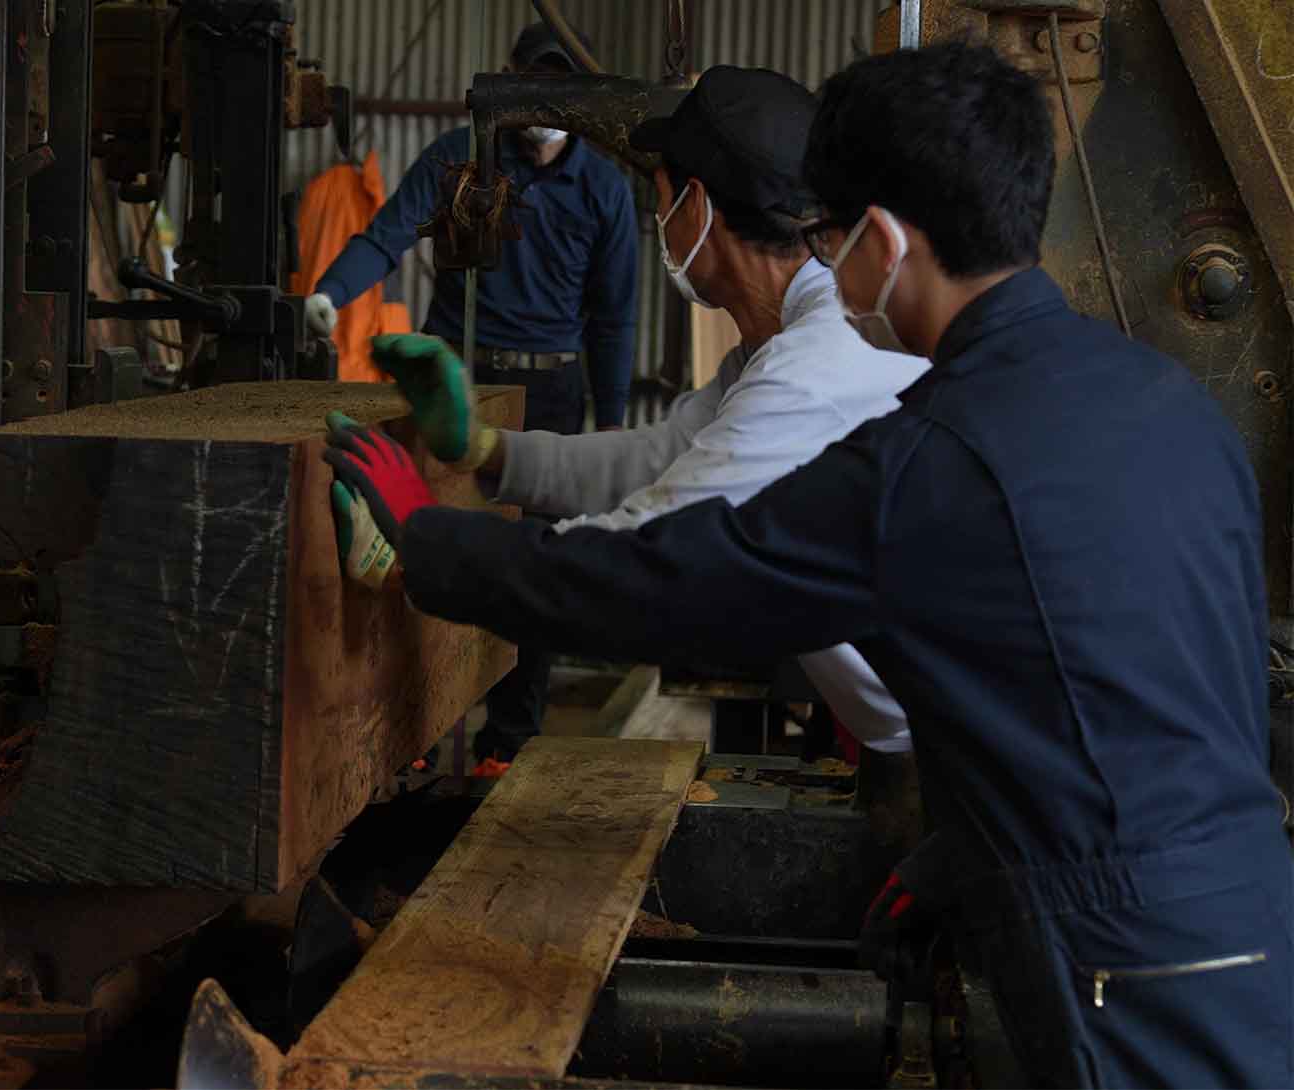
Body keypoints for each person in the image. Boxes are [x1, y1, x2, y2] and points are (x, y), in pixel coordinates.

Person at [323, 42, 1294, 1087]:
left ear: (876, 242)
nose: (822, 261)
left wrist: (424, 537)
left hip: (1116, 958)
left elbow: (660, 585)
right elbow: (1117, 695)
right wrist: (959, 857)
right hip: (1238, 908)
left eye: (829, 234)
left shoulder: (929, 455)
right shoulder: (1163, 400)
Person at [343, 65, 926, 754]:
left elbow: (635, 562)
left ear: (699, 208)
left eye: (663, 199)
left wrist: (423, 541)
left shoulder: (815, 369)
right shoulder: (786, 343)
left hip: (969, 755)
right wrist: (489, 451)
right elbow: (663, 458)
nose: (663, 224)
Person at [309, 20, 639, 772]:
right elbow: (386, 235)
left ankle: (507, 742)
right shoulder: (461, 159)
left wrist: (612, 426)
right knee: (420, 548)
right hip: (454, 383)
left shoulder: (605, 187)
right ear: (507, 80)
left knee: (537, 564)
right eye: (532, 84)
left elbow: (614, 317)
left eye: (560, 88)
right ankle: (414, 736)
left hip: (552, 388)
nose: (543, 103)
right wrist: (331, 291)